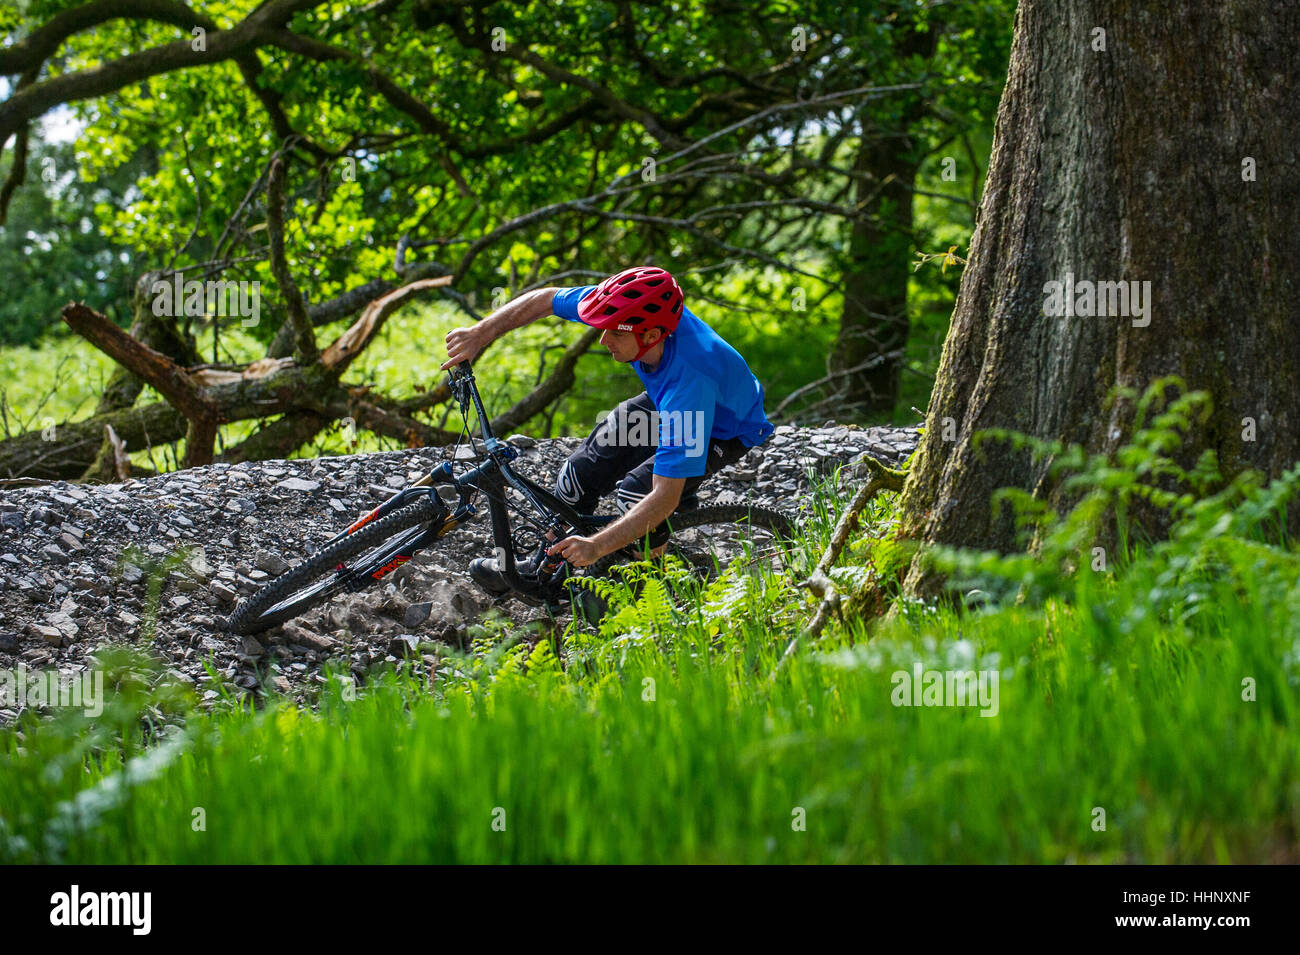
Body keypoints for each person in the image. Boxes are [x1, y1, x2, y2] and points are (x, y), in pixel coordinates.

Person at [440, 266, 774, 601]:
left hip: (723, 427)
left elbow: (664, 496)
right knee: (577, 476)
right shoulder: (624, 312)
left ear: (651, 336)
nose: (603, 339)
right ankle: (548, 569)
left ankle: (646, 590)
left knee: (638, 496)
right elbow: (545, 299)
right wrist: (480, 333)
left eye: (614, 334)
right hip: (667, 400)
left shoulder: (689, 384)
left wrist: (596, 546)